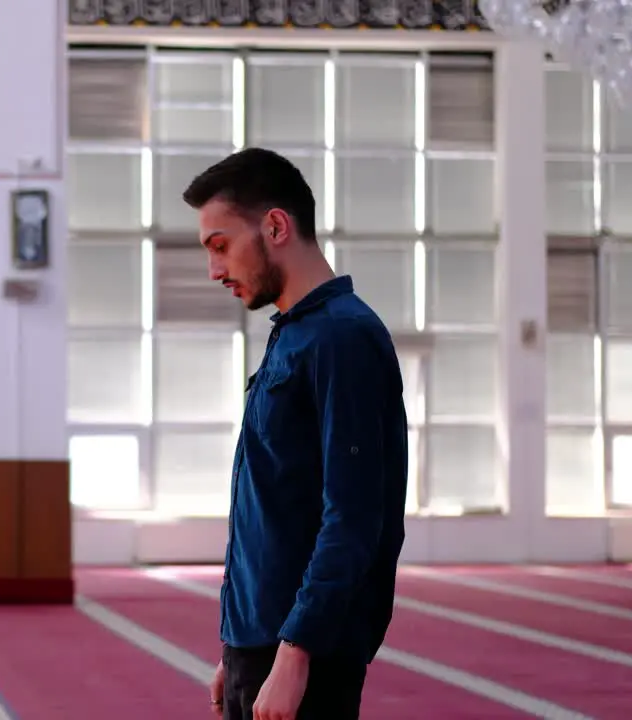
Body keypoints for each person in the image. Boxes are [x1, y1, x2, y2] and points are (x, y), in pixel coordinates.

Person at [182, 147, 408, 720]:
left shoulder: (343, 338)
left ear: (276, 226)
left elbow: (354, 517)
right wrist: (237, 648)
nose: (214, 270)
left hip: (304, 662)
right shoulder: (295, 334)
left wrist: (295, 654)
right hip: (261, 649)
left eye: (220, 246)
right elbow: (279, 507)